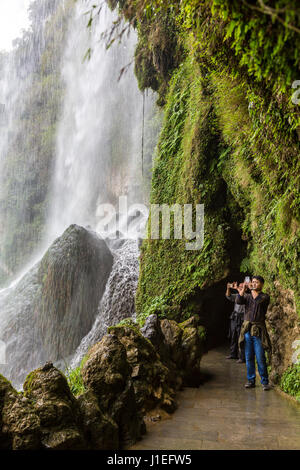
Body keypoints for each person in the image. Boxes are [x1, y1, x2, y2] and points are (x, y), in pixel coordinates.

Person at [236, 276, 272, 391]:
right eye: (253, 282)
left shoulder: (265, 297)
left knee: (260, 357)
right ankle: (251, 380)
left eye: (256, 282)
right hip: (247, 330)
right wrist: (242, 291)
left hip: (258, 330)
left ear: (261, 284)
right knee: (249, 356)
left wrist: (251, 289)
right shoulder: (247, 296)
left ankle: (265, 382)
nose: (254, 284)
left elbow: (257, 301)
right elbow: (238, 301)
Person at [225, 282, 245, 363]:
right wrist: (228, 288)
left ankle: (242, 357)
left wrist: (237, 288)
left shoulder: (247, 296)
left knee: (241, 338)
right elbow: (228, 296)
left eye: (242, 287)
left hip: (242, 318)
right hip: (234, 317)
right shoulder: (237, 296)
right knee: (233, 335)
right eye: (239, 286)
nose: (239, 288)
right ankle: (233, 354)